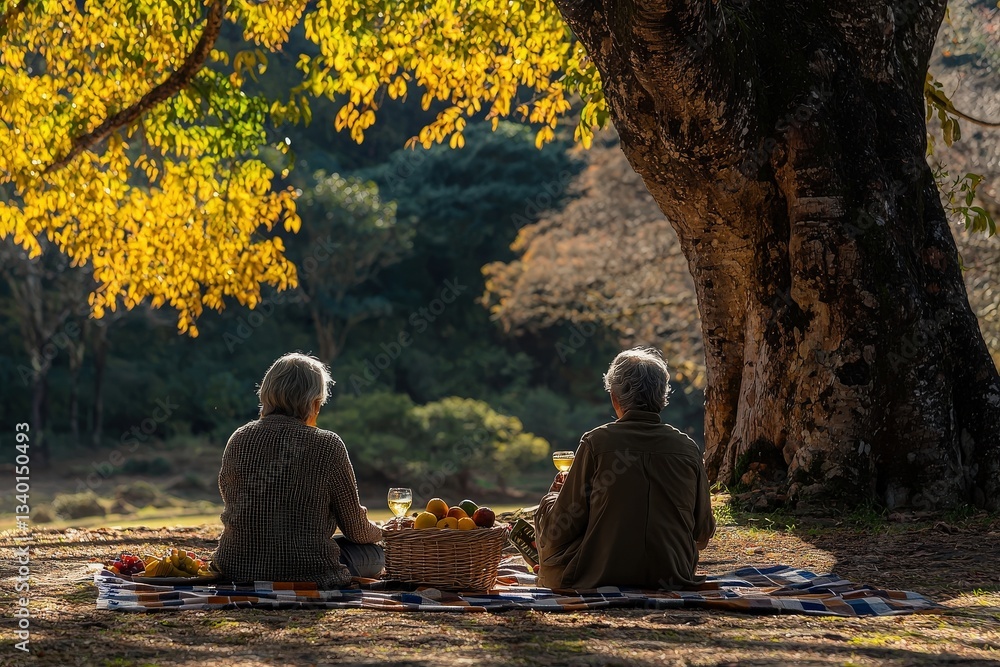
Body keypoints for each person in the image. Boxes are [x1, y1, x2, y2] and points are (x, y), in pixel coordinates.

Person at [534, 346, 715, 590]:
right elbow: (702, 534)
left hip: (600, 576)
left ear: (614, 398)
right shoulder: (688, 448)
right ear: (662, 396)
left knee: (548, 509)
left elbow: (559, 531)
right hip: (673, 574)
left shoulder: (596, 443)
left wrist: (555, 498)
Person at [212, 352, 384, 586]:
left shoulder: (239, 438)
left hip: (236, 568)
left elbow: (232, 501)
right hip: (309, 573)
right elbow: (356, 529)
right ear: (314, 401)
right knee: (376, 555)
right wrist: (384, 532)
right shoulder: (328, 444)